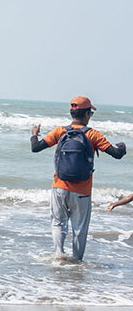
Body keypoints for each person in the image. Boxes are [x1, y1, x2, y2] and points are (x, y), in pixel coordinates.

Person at [30, 97, 126, 262]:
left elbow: (35, 147)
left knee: (58, 223)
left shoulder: (60, 131)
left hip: (59, 187)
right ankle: (77, 262)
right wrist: (123, 147)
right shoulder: (92, 134)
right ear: (87, 114)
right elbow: (116, 154)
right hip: (82, 192)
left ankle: (59, 255)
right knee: (79, 228)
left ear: (72, 113)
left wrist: (34, 135)